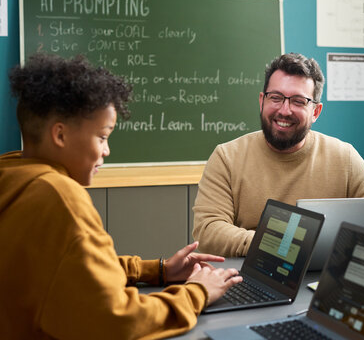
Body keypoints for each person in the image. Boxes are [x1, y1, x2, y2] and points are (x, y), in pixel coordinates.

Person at [0, 53, 242, 339]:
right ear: (60, 136)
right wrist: (197, 292)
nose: (107, 151)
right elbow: (117, 320)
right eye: (102, 137)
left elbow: (73, 270)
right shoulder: (59, 196)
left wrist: (158, 270)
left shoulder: (12, 171)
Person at [193, 52, 364, 257]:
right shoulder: (226, 157)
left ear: (315, 112)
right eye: (276, 97)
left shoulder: (346, 159)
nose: (285, 110)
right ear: (262, 100)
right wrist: (277, 245)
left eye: (298, 101)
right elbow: (207, 230)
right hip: (249, 274)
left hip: (319, 279)